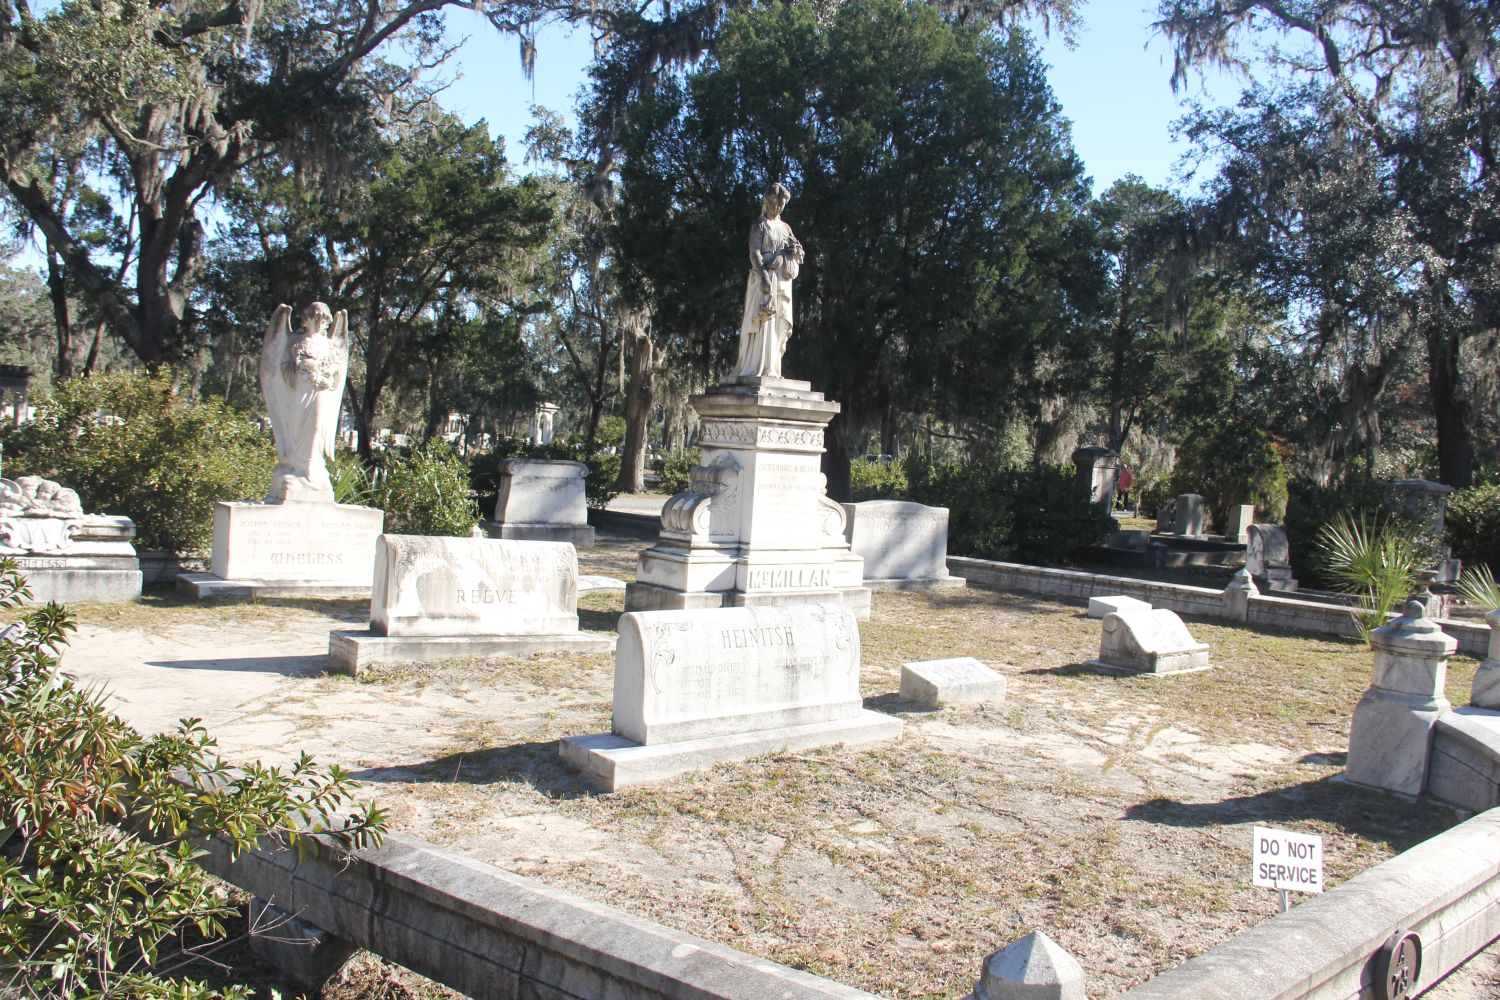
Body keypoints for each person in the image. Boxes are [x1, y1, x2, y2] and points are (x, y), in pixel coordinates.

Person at [260, 302, 350, 502]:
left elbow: (337, 367)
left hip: (320, 391)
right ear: (307, 319)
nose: (319, 323)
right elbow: (282, 366)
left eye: (322, 320)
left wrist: (328, 372)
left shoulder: (329, 345)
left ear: (326, 321)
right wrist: (302, 367)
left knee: (316, 427)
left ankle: (310, 469)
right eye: (315, 319)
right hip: (299, 390)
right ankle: (294, 468)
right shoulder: (295, 342)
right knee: (296, 429)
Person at [733, 183, 804, 378]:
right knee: (764, 323)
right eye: (774, 202)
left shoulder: (786, 228)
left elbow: (797, 251)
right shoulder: (760, 225)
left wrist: (794, 252)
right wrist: (764, 276)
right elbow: (754, 252)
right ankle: (760, 367)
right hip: (765, 278)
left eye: (781, 203)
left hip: (782, 281)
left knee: (779, 324)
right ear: (767, 201)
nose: (778, 206)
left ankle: (772, 366)